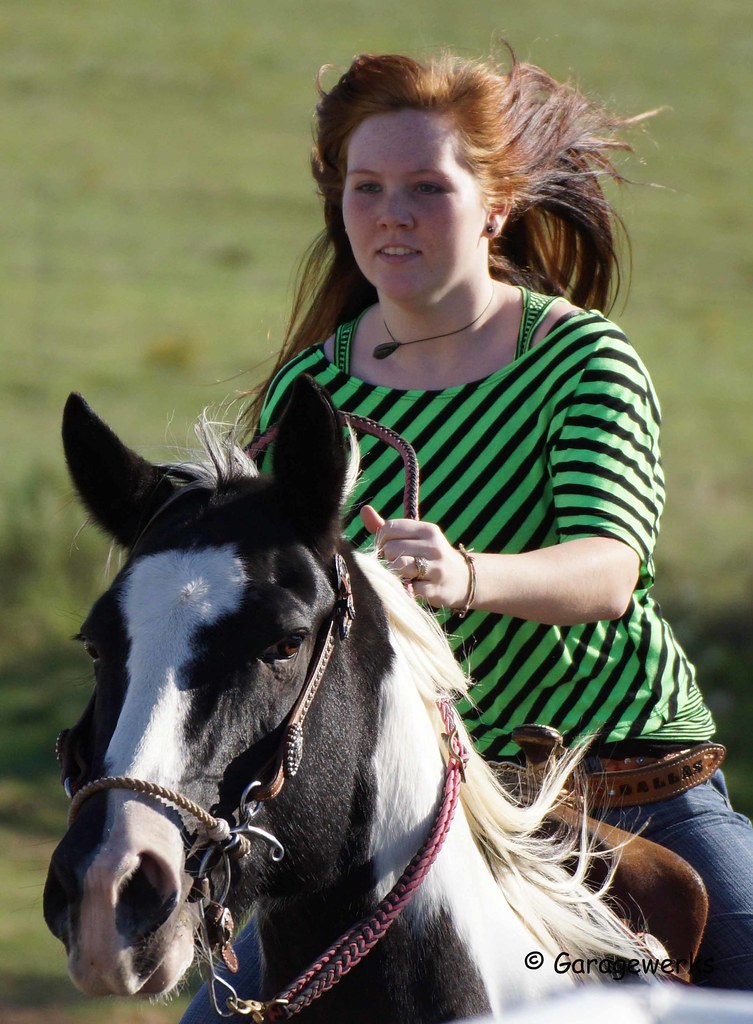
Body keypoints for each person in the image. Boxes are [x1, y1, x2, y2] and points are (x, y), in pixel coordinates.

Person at [182, 49, 753, 1018]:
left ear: (495, 206)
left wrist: (468, 574)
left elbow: (610, 569)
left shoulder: (580, 359)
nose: (391, 214)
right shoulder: (309, 391)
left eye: (426, 187)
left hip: (628, 787)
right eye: (366, 187)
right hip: (420, 811)